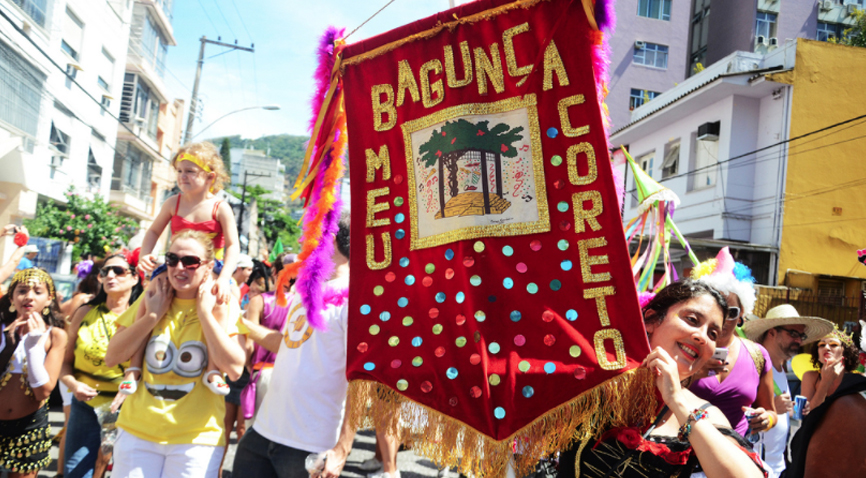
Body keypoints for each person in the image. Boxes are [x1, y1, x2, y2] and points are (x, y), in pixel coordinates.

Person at [557, 280, 766, 478]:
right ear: (651, 320)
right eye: (692, 320)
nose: (702, 336)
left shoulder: (703, 412)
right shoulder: (596, 382)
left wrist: (678, 403)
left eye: (713, 333)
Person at [104, 230, 246, 477]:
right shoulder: (152, 297)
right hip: (137, 433)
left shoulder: (222, 304)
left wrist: (204, 314)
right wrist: (152, 316)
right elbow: (112, 356)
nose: (180, 267)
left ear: (208, 266)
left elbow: (234, 370)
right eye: (172, 259)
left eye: (190, 262)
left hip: (197, 440)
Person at [232, 213, 353, 478]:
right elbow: (289, 344)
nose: (305, 244)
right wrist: (242, 325)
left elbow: (362, 380)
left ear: (329, 241)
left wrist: (342, 449)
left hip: (310, 445)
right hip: (263, 432)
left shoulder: (355, 301)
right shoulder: (305, 290)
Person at [122, 142, 240, 397]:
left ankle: (213, 369)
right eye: (179, 171)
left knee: (222, 298)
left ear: (210, 177)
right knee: (151, 292)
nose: (182, 177)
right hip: (175, 264)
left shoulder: (221, 207)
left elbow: (233, 246)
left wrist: (226, 277)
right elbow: (153, 231)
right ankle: (132, 369)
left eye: (190, 171)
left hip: (209, 267)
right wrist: (145, 254)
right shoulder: (172, 202)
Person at [60, 253, 143, 478]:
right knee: (76, 472)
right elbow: (65, 363)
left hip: (124, 409)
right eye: (105, 272)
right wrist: (73, 385)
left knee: (115, 468)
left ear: (135, 278)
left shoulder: (143, 317)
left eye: (119, 271)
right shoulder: (85, 312)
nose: (110, 276)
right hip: (84, 407)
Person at [688, 248, 777, 438]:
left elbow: (771, 411)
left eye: (732, 312)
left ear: (741, 316)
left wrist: (766, 419)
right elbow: (655, 395)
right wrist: (692, 374)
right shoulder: (684, 345)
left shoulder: (757, 355)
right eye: (716, 310)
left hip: (735, 457)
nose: (723, 319)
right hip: (681, 457)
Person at [743, 304, 834, 478]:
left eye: (801, 335)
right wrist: (772, 411)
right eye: (793, 333)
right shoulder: (753, 366)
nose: (799, 340)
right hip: (754, 469)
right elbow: (732, 419)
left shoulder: (780, 369)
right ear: (771, 332)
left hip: (778, 468)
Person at [0, 268, 68, 476]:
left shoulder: (55, 336)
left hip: (29, 429)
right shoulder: (1, 328)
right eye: (22, 290)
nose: (29, 296)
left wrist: (32, 347)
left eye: (37, 291)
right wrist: (9, 348)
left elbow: (43, 392)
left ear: (49, 299)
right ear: (11, 297)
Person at [799, 326, 861, 410]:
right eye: (822, 345)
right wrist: (825, 382)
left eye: (834, 345)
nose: (826, 348)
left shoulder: (858, 379)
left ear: (846, 353)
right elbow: (808, 415)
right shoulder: (810, 376)